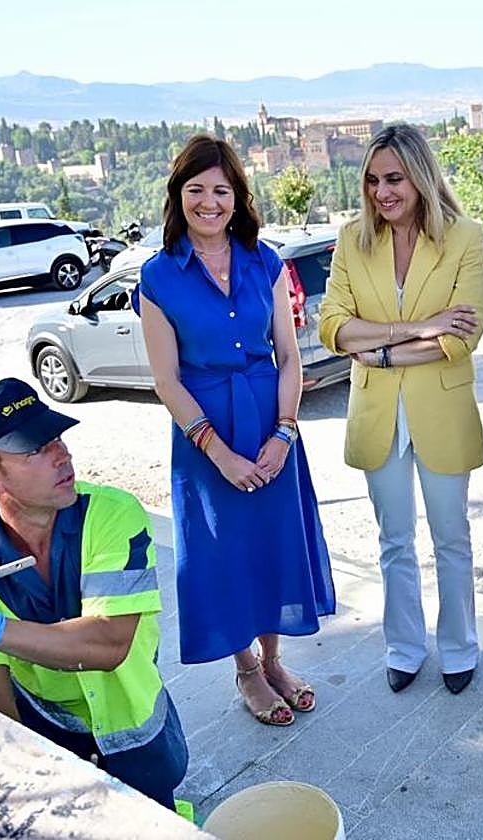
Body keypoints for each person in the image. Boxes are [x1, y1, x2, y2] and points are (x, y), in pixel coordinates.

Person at [136, 135, 334, 727]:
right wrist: (218, 453)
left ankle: (274, 660)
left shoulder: (266, 261)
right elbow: (166, 379)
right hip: (205, 438)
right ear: (178, 196)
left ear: (237, 196)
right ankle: (246, 669)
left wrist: (284, 434)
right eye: (196, 189)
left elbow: (290, 356)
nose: (209, 202)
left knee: (273, 544)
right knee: (224, 551)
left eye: (221, 190)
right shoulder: (156, 276)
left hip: (272, 424)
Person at [0, 377, 189, 809]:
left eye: (56, 437)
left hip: (139, 721)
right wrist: (31, 783)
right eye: (35, 448)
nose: (62, 453)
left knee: (160, 812)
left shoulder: (112, 514)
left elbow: (109, 642)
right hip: (51, 737)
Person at [319, 124, 483, 695]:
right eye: (372, 180)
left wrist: (380, 350)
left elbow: (461, 336)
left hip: (441, 413)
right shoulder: (351, 240)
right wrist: (417, 328)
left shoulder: (465, 237)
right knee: (394, 540)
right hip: (378, 418)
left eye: (393, 178)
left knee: (451, 538)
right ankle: (404, 647)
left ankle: (460, 647)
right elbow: (332, 328)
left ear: (420, 176)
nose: (382, 192)